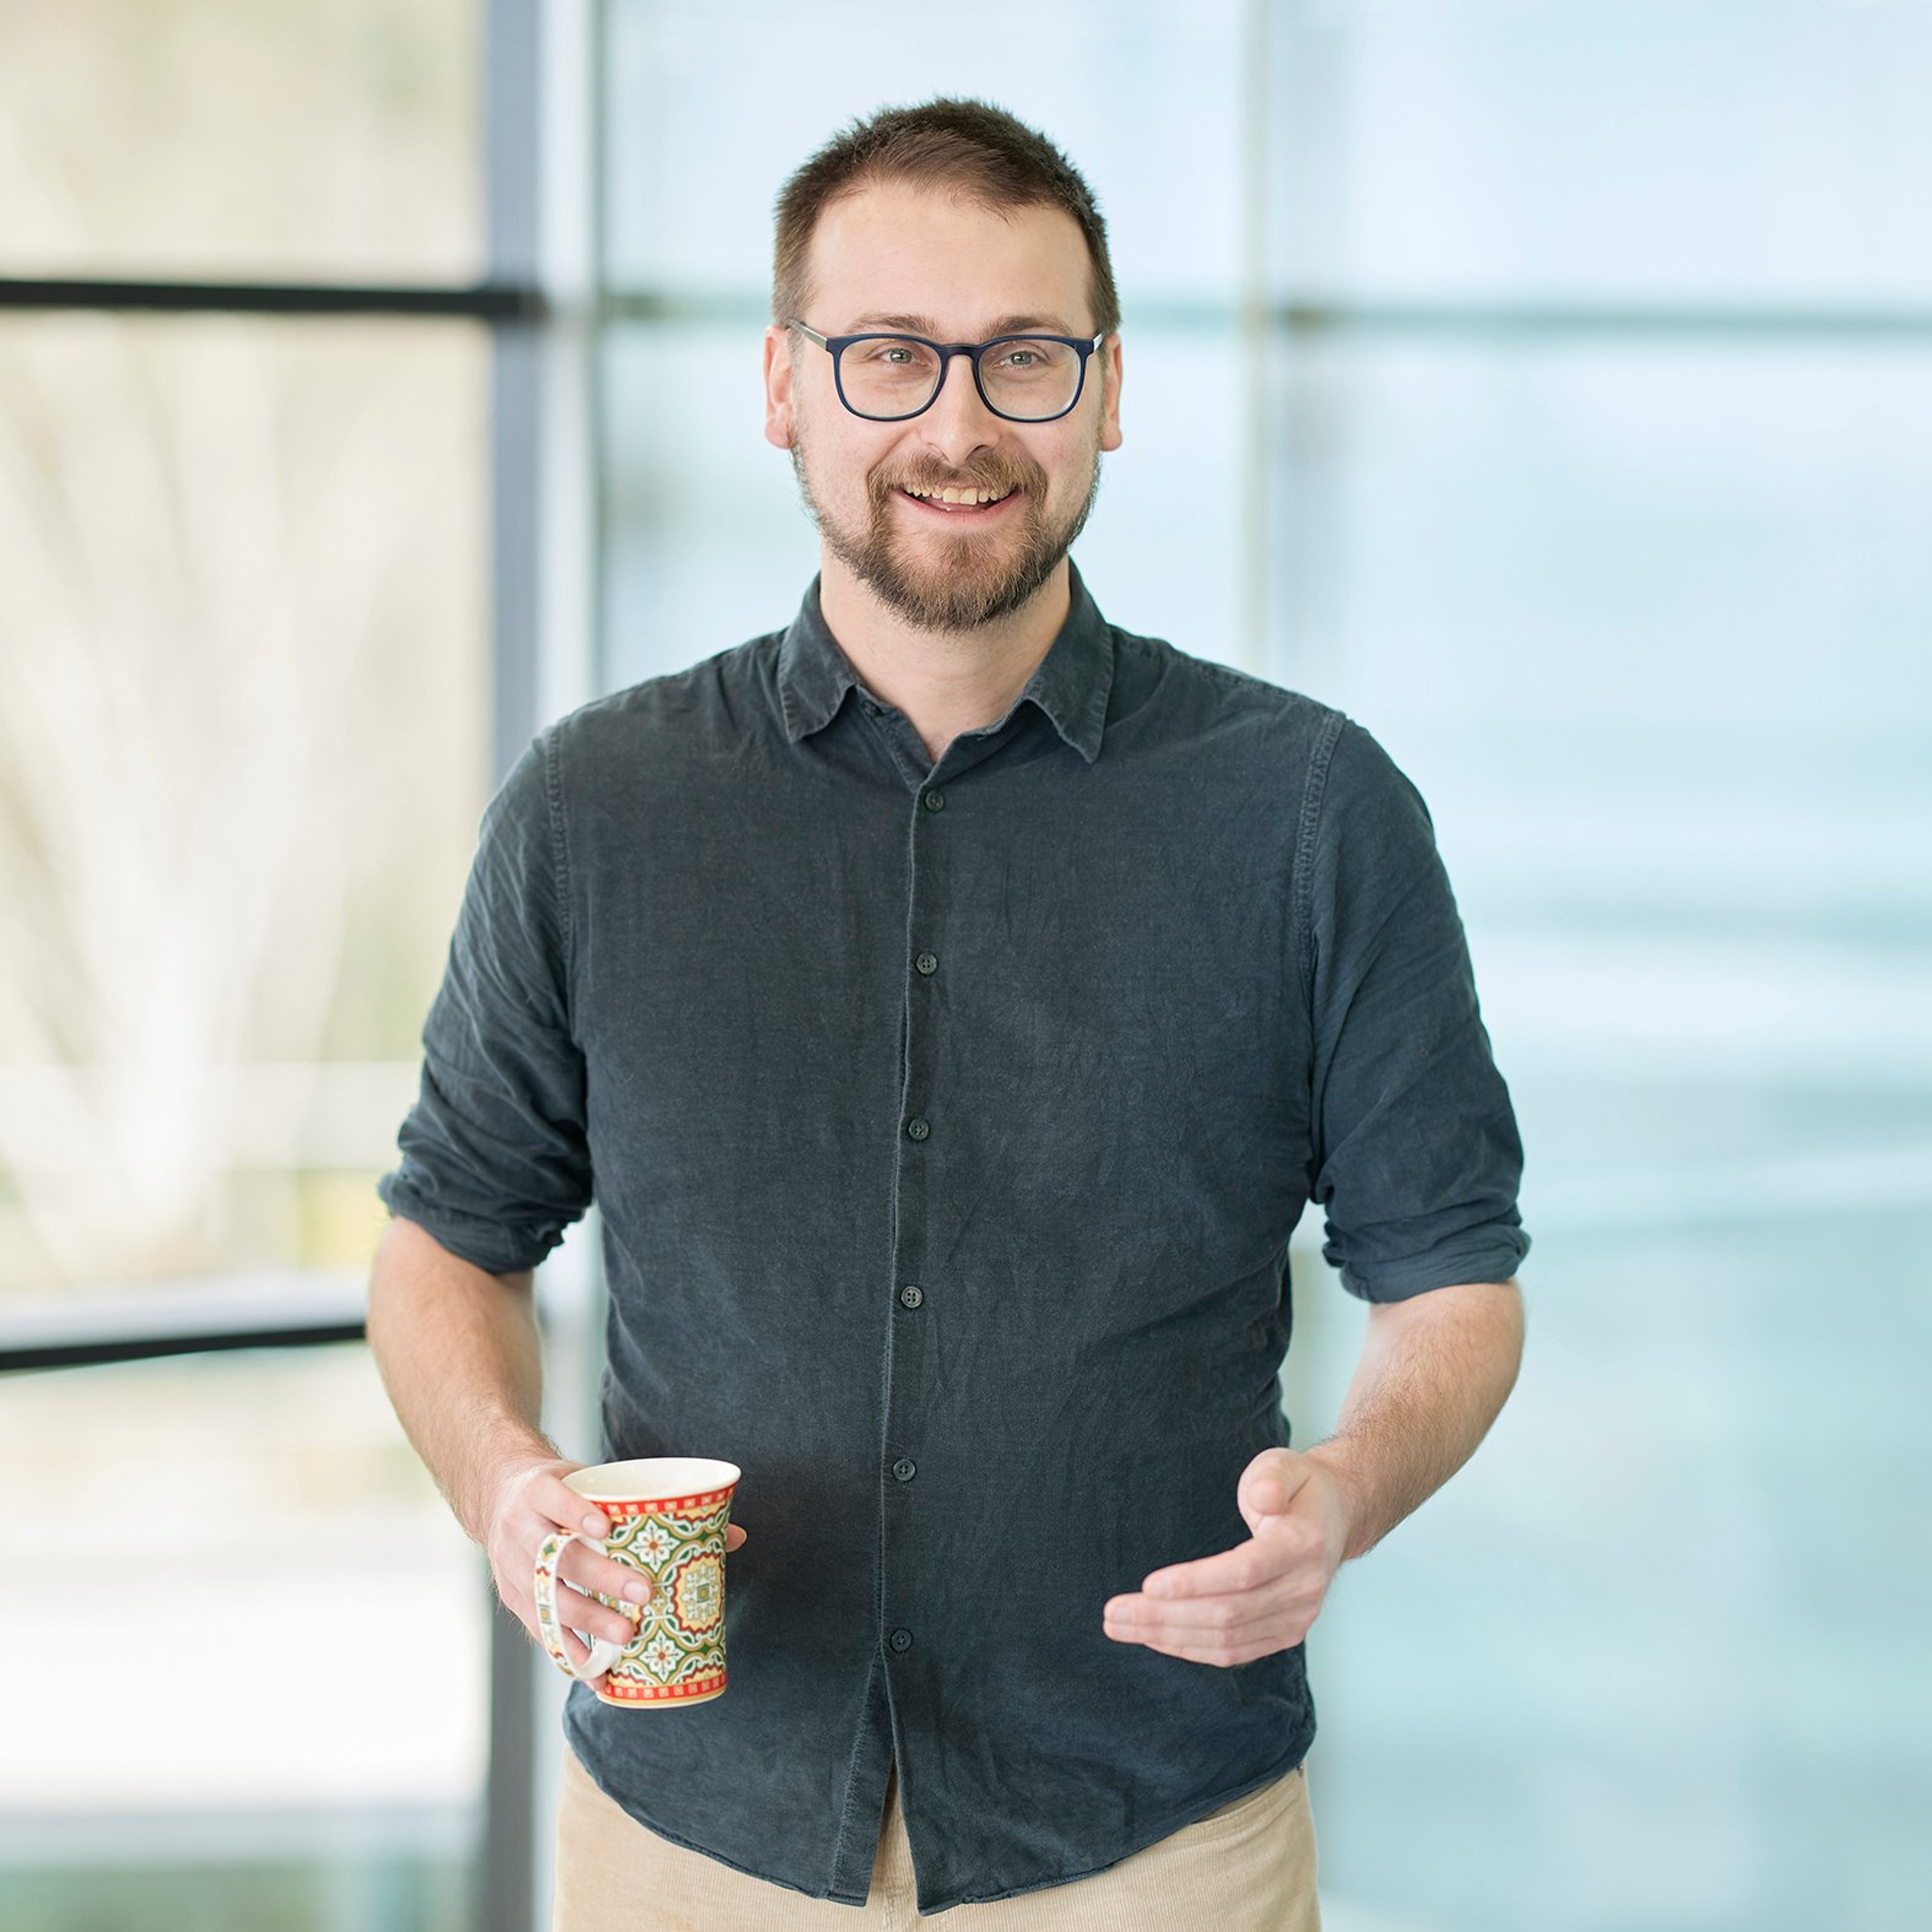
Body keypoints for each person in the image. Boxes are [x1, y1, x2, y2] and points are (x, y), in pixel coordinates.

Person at [368, 96, 1528, 1930]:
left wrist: (1349, 1491)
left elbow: (1454, 1276)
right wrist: (512, 1493)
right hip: (690, 1841)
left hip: (1159, 1845)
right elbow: (445, 1245)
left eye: (1028, 359)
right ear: (783, 387)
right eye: (890, 357)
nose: (962, 425)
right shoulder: (595, 811)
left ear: (1113, 390)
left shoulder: (1313, 813)